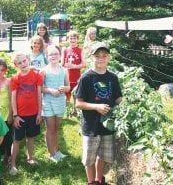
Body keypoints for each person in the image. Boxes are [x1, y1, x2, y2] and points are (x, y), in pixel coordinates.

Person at [75, 42, 123, 185]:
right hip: (91, 125)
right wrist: (96, 107)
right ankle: (91, 182)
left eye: (104, 56)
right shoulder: (86, 78)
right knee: (89, 158)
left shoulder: (112, 78)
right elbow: (78, 103)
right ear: (92, 58)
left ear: (109, 58)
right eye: (97, 56)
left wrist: (125, 103)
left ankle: (98, 179)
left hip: (107, 124)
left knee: (102, 155)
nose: (101, 59)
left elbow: (118, 97)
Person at [9, 52, 43, 175]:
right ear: (16, 65)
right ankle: (12, 163)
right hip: (20, 115)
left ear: (28, 60)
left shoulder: (37, 76)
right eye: (19, 63)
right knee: (17, 140)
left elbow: (39, 95)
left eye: (24, 61)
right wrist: (15, 115)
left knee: (30, 138)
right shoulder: (15, 78)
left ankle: (30, 158)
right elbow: (13, 98)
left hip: (33, 114)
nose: (23, 64)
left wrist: (39, 113)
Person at [40, 45, 70, 162]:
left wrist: (64, 88)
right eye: (51, 54)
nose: (53, 56)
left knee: (56, 128)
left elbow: (68, 87)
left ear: (60, 55)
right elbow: (41, 88)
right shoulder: (44, 71)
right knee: (50, 129)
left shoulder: (64, 70)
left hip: (60, 102)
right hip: (48, 102)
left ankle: (56, 151)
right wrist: (51, 90)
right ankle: (51, 153)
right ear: (47, 57)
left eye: (56, 54)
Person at [61, 30, 87, 117]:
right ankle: (66, 111)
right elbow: (62, 64)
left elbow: (84, 64)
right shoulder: (65, 50)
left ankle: (75, 111)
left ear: (77, 39)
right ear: (68, 39)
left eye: (74, 38)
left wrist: (74, 66)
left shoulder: (80, 50)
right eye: (70, 38)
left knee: (76, 95)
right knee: (66, 95)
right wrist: (66, 65)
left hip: (76, 77)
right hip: (67, 76)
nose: (72, 40)